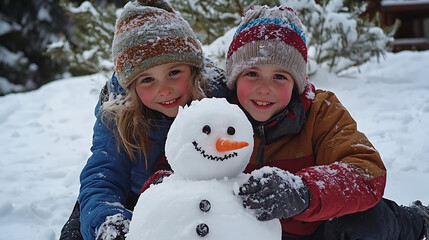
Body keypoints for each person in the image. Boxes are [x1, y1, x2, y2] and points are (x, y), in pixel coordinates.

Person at [224, 5, 429, 240]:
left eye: (280, 76)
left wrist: (303, 192)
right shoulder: (214, 115)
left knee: (367, 220)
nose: (264, 88)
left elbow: (366, 171)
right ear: (234, 77)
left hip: (316, 229)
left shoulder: (320, 111)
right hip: (242, 232)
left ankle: (415, 221)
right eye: (252, 73)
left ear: (297, 83)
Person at [59, 0, 226, 239]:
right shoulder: (119, 108)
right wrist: (108, 221)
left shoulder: (217, 96)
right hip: (133, 199)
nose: (164, 90)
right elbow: (103, 172)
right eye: (147, 80)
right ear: (131, 86)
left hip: (197, 199)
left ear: (194, 70)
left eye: (174, 73)